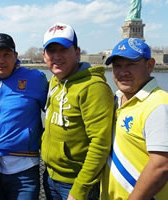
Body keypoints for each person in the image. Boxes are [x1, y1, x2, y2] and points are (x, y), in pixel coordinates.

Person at [40, 22, 114, 200]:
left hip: (75, 183)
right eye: (51, 51)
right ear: (44, 56)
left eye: (63, 49)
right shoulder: (54, 82)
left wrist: (80, 189)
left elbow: (100, 143)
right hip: (50, 176)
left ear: (77, 52)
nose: (57, 56)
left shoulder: (94, 87)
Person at [0, 33, 48, 200]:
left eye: (7, 54)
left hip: (25, 169)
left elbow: (52, 111)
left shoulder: (36, 78)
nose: (1, 60)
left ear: (15, 56)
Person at [100, 38, 168, 199]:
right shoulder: (115, 100)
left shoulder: (160, 105)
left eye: (131, 64)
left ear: (150, 65)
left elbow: (161, 165)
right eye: (117, 66)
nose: (123, 72)